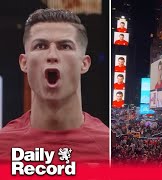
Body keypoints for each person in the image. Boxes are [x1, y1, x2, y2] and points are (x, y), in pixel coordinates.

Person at [0, 9, 109, 164]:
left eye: (65, 46)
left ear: (84, 64)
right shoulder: (3, 148)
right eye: (40, 46)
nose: (52, 56)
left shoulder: (109, 147)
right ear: (24, 63)